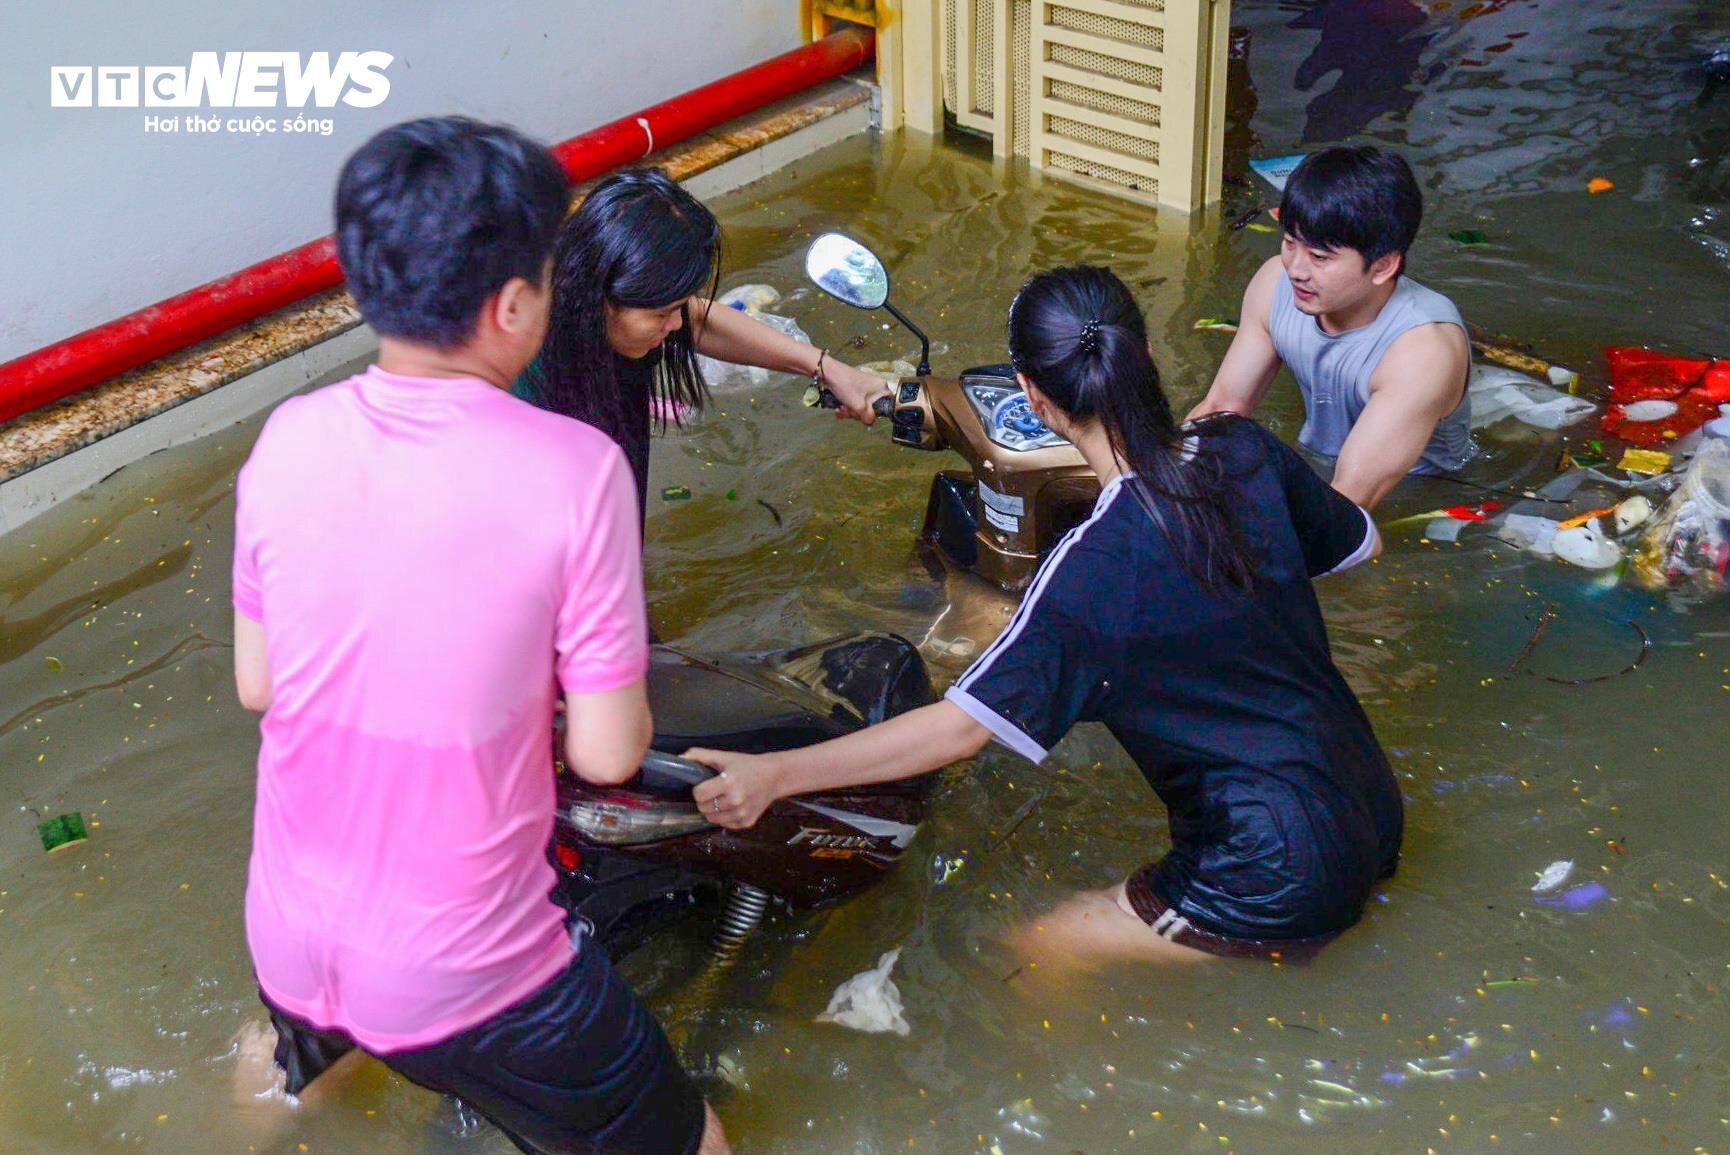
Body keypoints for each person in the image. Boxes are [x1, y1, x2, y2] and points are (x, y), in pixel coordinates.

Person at [230, 117, 727, 1155]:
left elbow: (260, 686)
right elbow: (605, 750)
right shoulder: (571, 469)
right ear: (513, 305)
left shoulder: (285, 439)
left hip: (287, 928)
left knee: (285, 1084)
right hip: (471, 965)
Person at [684, 266, 1402, 967]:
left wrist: (772, 775)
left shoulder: (1091, 574)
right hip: (1370, 800)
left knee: (1032, 954)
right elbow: (1357, 544)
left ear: (1031, 396)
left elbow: (960, 729)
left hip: (1274, 873)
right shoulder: (1240, 449)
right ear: (1144, 355)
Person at [518, 167, 889, 519]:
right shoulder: (524, 389)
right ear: (602, 298)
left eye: (677, 306)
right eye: (664, 312)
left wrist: (829, 369)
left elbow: (696, 320)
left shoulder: (606, 313)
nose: (677, 323)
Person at [1188, 146, 1473, 509]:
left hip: (1413, 495)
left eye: (1320, 257)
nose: (1296, 269)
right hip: (1320, 467)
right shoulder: (1274, 282)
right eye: (1291, 243)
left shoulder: (1422, 351)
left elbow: (1347, 502)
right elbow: (1223, 407)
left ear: (1383, 266)